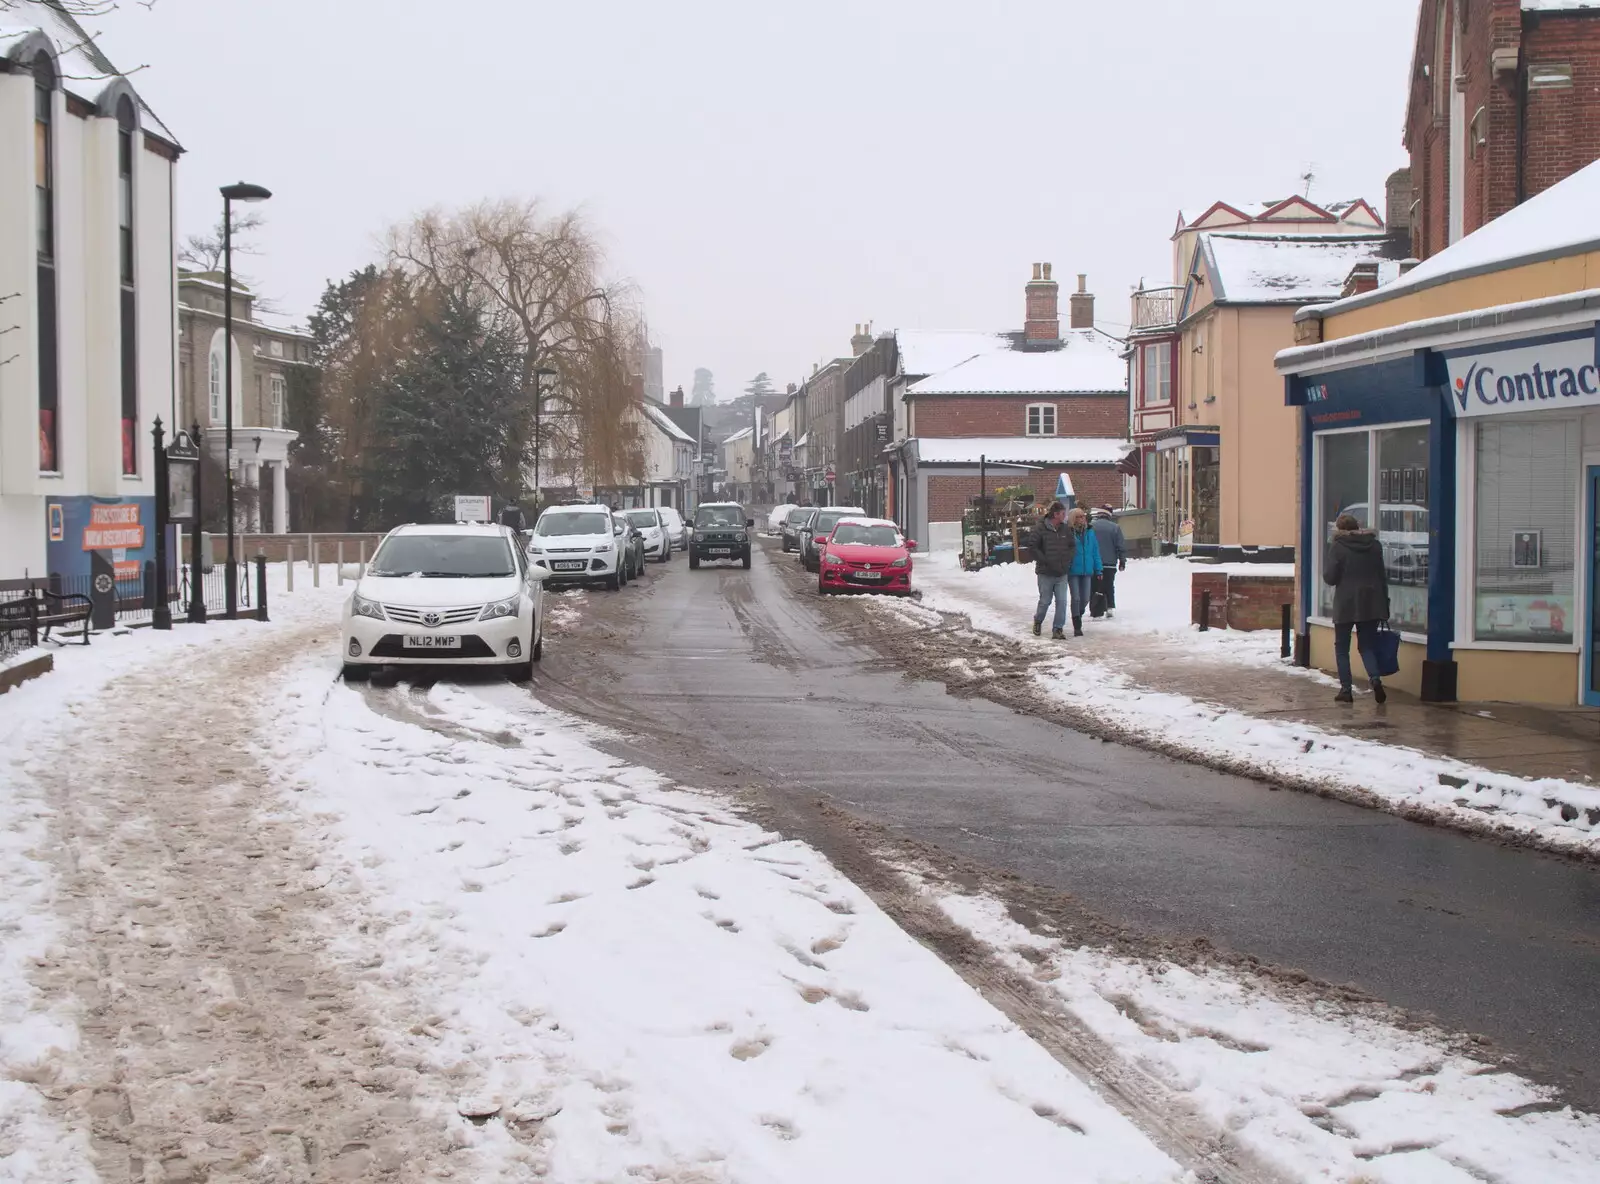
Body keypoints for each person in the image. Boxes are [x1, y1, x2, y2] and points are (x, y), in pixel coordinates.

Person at [1323, 512, 1391, 704]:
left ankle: (1346, 690)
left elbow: (1330, 577)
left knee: (1342, 648)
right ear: (1357, 527)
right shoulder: (1374, 546)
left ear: (1340, 529)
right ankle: (1375, 680)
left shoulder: (1338, 547)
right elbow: (1381, 576)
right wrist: (1384, 603)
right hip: (1371, 602)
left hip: (1346, 603)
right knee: (1367, 646)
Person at [1023, 501, 1076, 639]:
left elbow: (1072, 545)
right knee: (1045, 601)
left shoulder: (1065, 529)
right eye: (1063, 513)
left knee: (1062, 601)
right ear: (1055, 514)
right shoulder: (1040, 528)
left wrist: (1067, 560)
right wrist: (1045, 560)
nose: (1065, 516)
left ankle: (1058, 628)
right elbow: (1032, 547)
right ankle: (1038, 620)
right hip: (1045, 572)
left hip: (1061, 572)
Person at [1066, 507, 1102, 637]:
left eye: (1083, 516)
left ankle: (1078, 614)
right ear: (1073, 519)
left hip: (1087, 570)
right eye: (1079, 516)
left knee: (1085, 598)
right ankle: (1077, 625)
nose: (1082, 519)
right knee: (1075, 598)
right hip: (1073, 570)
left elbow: (1095, 551)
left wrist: (1099, 569)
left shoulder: (1090, 532)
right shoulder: (1068, 532)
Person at [1088, 505, 1128, 618]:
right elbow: (1120, 546)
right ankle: (1109, 607)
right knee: (1109, 585)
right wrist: (1122, 561)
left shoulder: (1091, 527)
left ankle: (1095, 609)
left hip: (1094, 563)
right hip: (1110, 563)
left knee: (1094, 586)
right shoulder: (1115, 527)